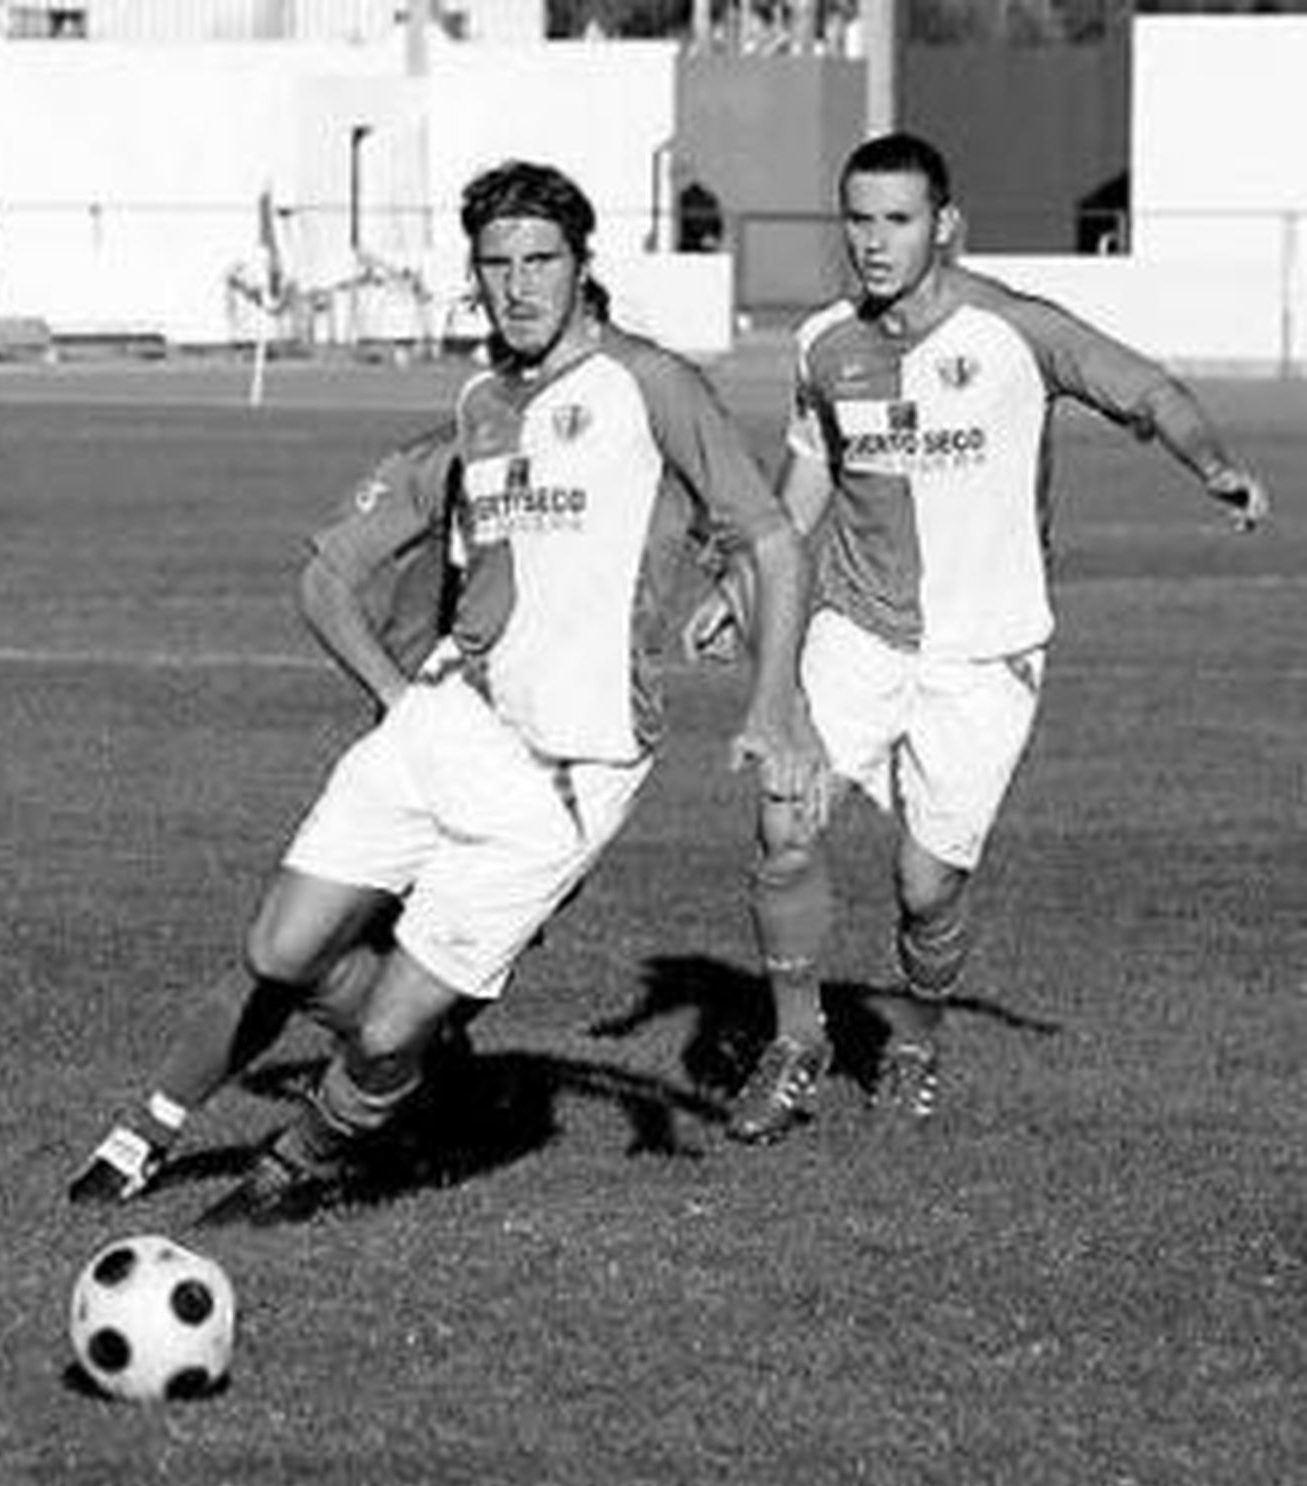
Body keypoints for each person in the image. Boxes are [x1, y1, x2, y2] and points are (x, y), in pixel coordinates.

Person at [69, 158, 824, 1223]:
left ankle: (288, 1172)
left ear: (581, 266)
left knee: (382, 1033)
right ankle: (367, 1089)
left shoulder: (649, 382)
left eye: (540, 262)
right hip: (443, 718)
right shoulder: (478, 403)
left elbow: (773, 543)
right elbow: (449, 571)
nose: (518, 285)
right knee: (280, 950)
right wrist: (401, 691)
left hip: (565, 772)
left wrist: (773, 707)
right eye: (496, 265)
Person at [685, 131, 1270, 1144]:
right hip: (857, 627)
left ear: (944, 225)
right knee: (784, 810)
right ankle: (796, 1042)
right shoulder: (825, 342)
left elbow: (1150, 389)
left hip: (984, 649)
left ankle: (914, 1037)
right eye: (858, 220)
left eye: (896, 220)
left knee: (927, 886)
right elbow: (810, 475)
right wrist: (746, 586)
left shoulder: (1014, 329)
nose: (872, 242)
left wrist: (1210, 464)